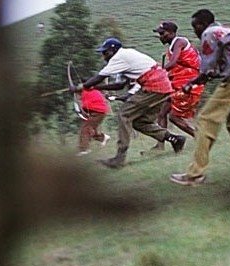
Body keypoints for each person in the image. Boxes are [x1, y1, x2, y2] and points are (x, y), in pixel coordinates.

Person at [170, 9, 230, 186]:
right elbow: (214, 69)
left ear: (200, 25)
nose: (195, 32)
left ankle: (195, 174)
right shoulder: (228, 31)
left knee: (206, 120)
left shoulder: (208, 34)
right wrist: (193, 82)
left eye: (195, 27)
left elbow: (207, 70)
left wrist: (191, 82)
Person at [80, 37, 186, 168]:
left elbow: (100, 76)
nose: (104, 56)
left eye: (105, 53)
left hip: (154, 86)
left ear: (113, 51)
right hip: (162, 86)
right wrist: (95, 87)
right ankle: (175, 139)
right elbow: (120, 85)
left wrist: (83, 86)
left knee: (124, 115)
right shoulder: (126, 56)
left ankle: (119, 158)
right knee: (139, 122)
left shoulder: (118, 57)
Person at [153, 20, 203, 139]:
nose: (160, 37)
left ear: (171, 33)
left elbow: (173, 62)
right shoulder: (171, 47)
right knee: (162, 114)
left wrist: (157, 71)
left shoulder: (179, 42)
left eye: (162, 34)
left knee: (174, 117)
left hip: (189, 84)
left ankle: (200, 137)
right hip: (178, 84)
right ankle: (160, 145)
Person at [77, 85, 111, 155]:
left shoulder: (87, 89)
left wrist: (75, 89)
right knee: (89, 129)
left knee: (86, 129)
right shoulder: (88, 91)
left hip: (98, 112)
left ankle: (84, 149)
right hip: (98, 112)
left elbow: (81, 88)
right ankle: (103, 137)